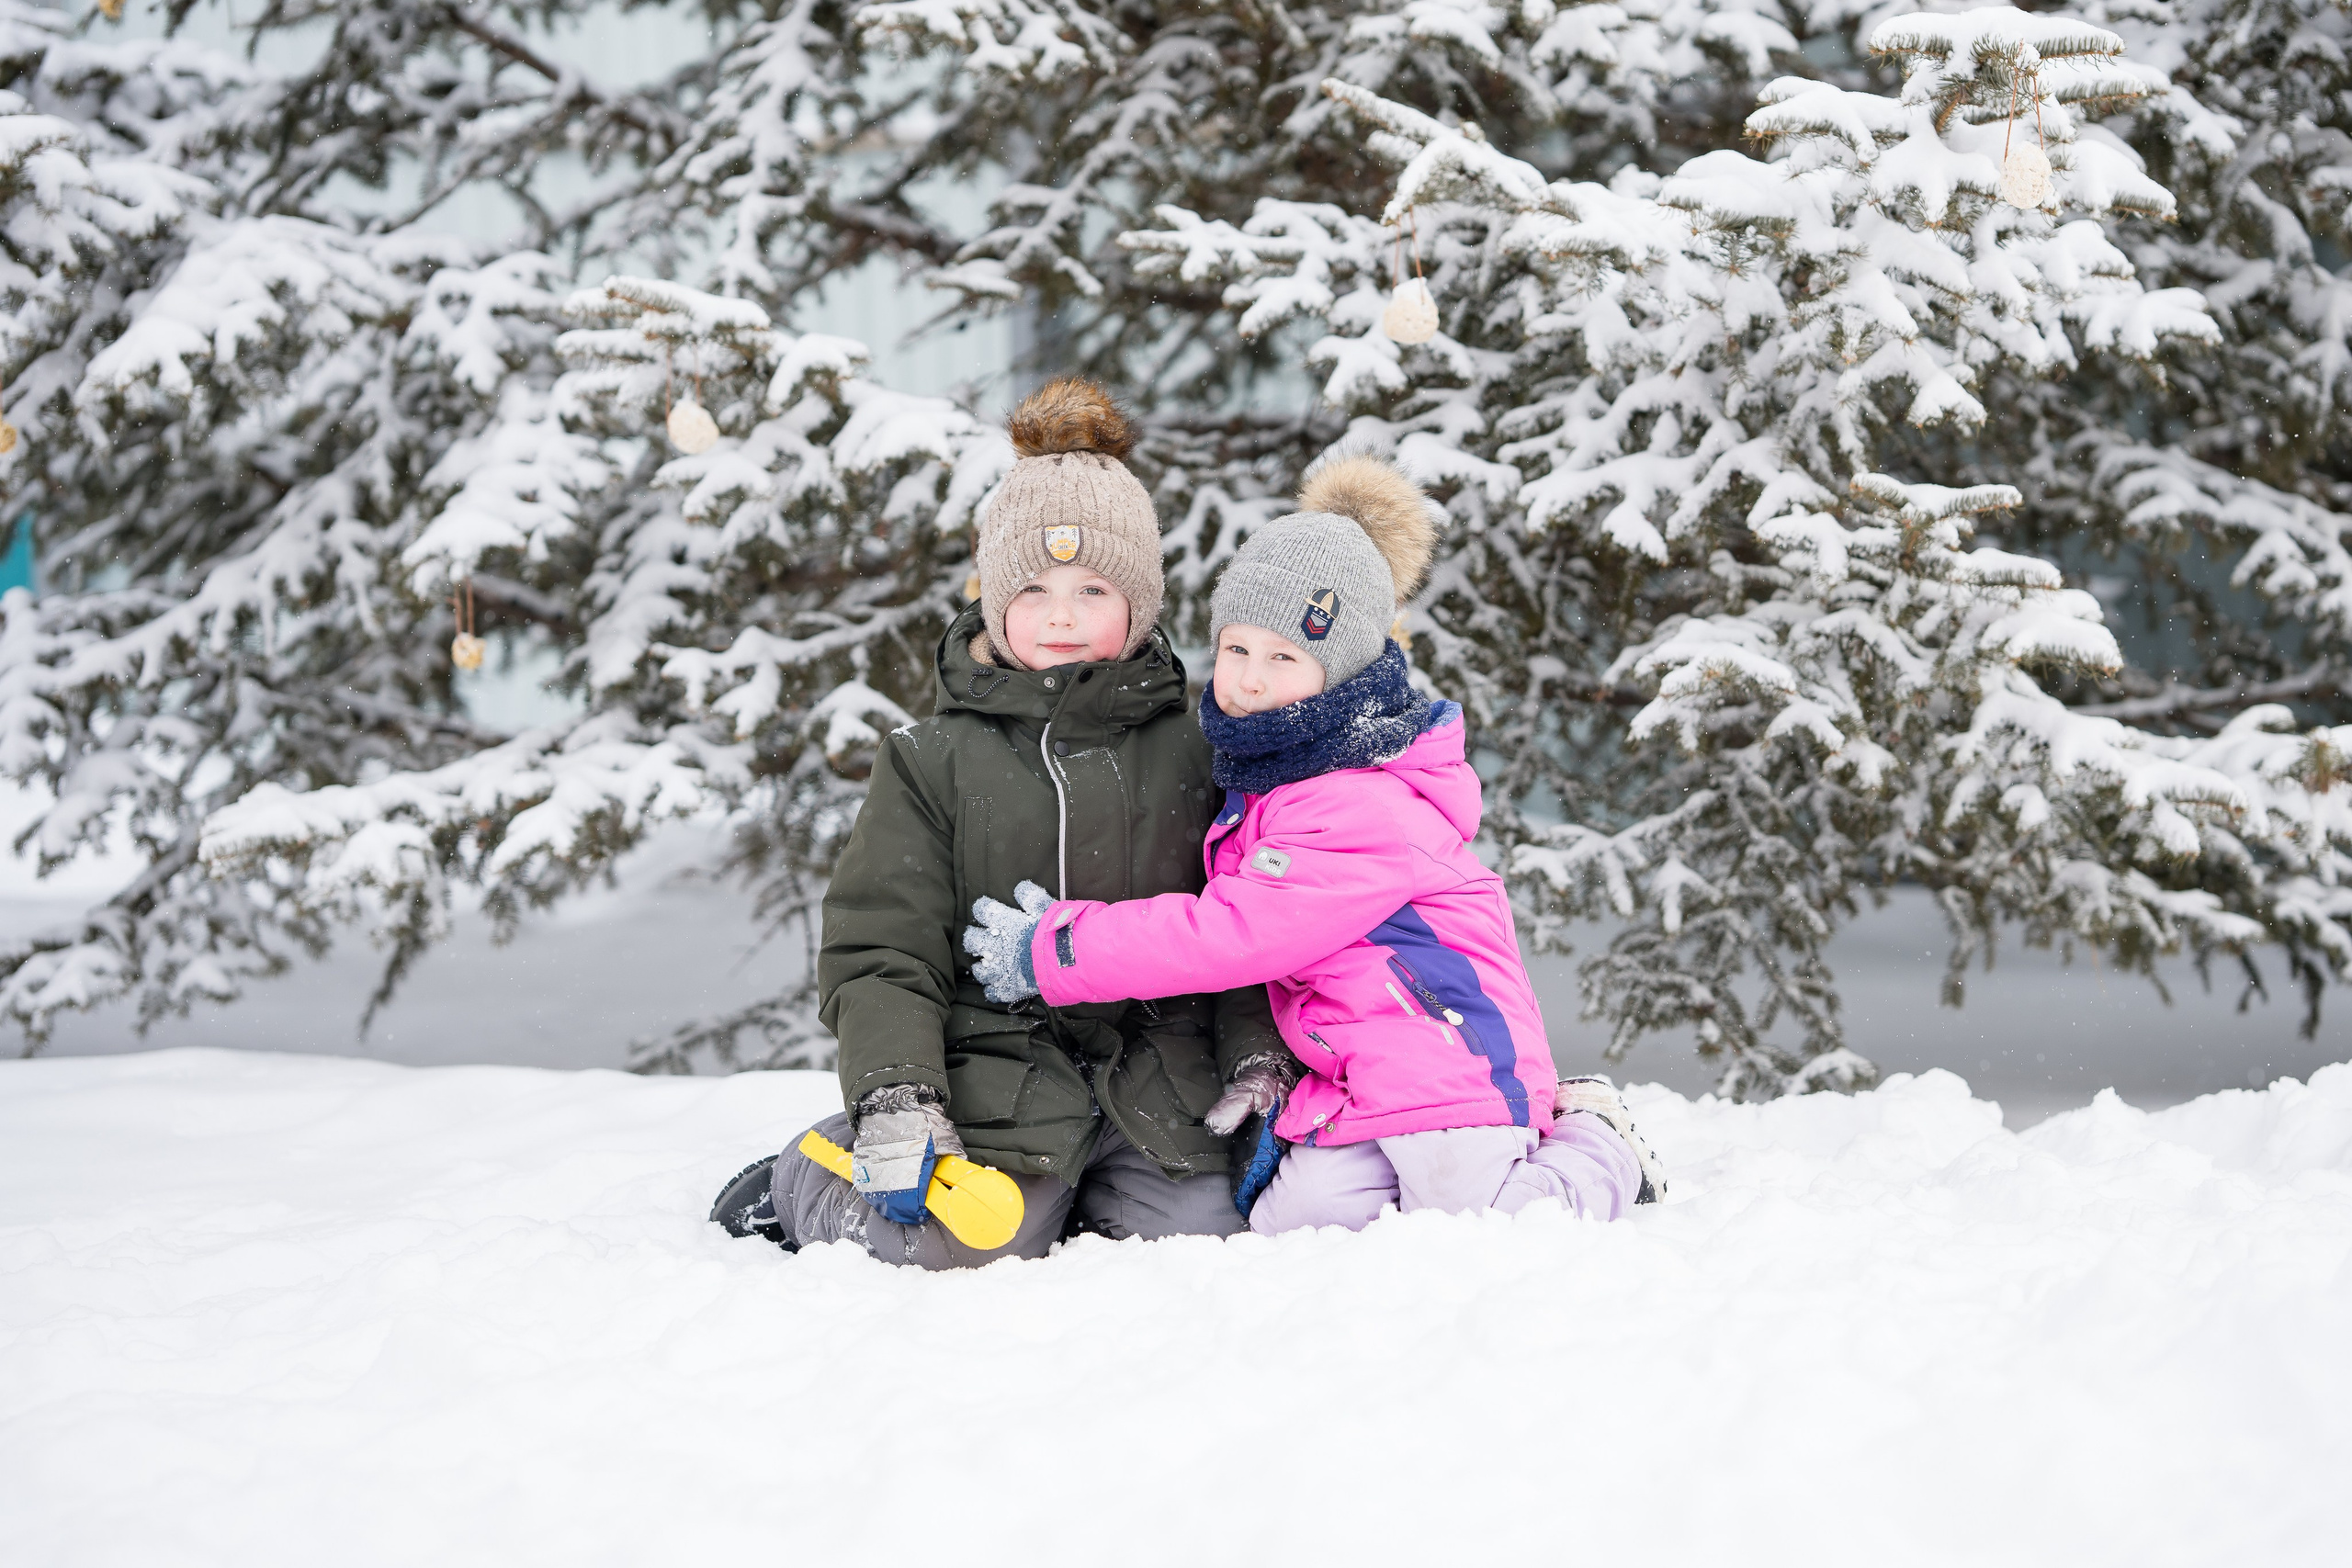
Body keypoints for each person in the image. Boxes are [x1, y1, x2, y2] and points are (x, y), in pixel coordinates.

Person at [962, 455, 1667, 1233]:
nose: (1250, 680)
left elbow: (1234, 931)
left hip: (1447, 1056)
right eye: (1236, 650)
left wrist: (1061, 947)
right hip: (1357, 1071)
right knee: (1296, 1219)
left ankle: (1600, 1138)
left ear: (1341, 675)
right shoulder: (1271, 777)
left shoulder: (1358, 799)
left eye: (1283, 658)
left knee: (1495, 1223)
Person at [709, 378, 1295, 1267]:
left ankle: (1090, 1196)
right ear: (994, 599)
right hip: (995, 1077)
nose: (1061, 615)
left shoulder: (1202, 750)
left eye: (1093, 588)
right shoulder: (932, 759)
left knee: (1213, 1244)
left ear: (1139, 603)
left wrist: (1257, 1054)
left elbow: (1247, 926)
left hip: (1159, 1081)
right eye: (1034, 589)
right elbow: (882, 946)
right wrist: (898, 1095)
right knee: (952, 1251)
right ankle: (807, 1175)